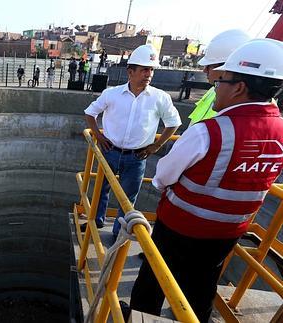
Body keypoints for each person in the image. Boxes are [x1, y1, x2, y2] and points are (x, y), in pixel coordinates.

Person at [129, 38, 283, 323]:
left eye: (219, 81)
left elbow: (163, 176)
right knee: (200, 289)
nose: (215, 88)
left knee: (152, 283)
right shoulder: (280, 131)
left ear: (239, 87)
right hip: (227, 234)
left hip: (179, 228)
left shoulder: (210, 131)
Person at [83, 44, 181, 236]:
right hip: (109, 151)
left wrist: (156, 145)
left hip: (137, 156)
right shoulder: (112, 94)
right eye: (144, 69)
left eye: (151, 69)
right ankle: (96, 222)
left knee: (127, 199)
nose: (149, 74)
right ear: (130, 72)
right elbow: (90, 113)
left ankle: (119, 234)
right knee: (101, 190)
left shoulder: (159, 98)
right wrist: (99, 135)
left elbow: (173, 123)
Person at [188, 29, 251, 126]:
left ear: (226, 68)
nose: (205, 70)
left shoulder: (250, 106)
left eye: (209, 65)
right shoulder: (213, 91)